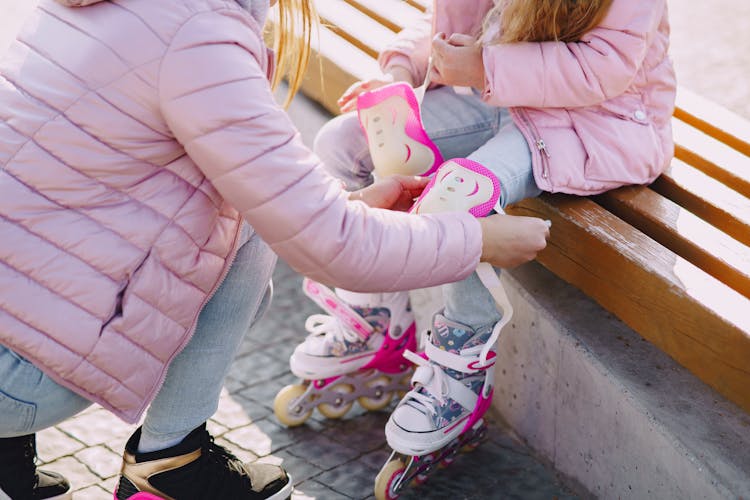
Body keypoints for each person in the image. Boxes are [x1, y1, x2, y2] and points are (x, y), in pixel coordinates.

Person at [0, 0, 553, 499]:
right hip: (14, 378)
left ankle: (17, 446)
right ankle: (171, 460)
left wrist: (351, 202)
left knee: (241, 204)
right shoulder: (200, 37)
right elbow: (326, 242)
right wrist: (476, 238)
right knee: (246, 222)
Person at [292, 0, 676, 465]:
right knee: (347, 143)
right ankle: (378, 321)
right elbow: (458, 20)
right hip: (493, 98)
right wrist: (403, 70)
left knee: (462, 193)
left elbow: (606, 65)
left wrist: (481, 64)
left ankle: (461, 367)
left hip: (591, 120)